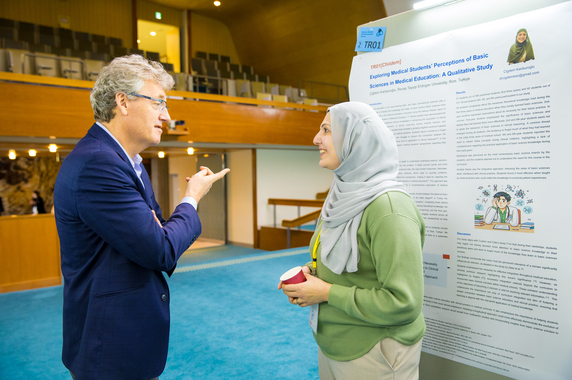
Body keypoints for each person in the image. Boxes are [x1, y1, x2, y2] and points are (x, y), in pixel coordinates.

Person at [54, 55, 229, 380]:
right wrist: (192, 199)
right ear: (122, 101)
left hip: (120, 334)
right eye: (159, 103)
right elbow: (160, 248)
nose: (167, 116)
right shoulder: (99, 165)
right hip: (108, 345)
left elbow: (157, 232)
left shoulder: (127, 160)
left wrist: (158, 232)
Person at [279, 102, 425, 380]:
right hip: (334, 343)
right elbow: (338, 261)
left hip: (375, 351)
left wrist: (324, 292)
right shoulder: (340, 196)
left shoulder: (389, 208)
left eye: (326, 130)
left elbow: (403, 302)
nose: (315, 138)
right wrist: (311, 273)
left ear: (356, 139)